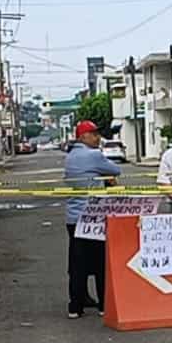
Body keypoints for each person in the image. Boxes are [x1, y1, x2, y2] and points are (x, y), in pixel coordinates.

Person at [63, 121, 121, 319]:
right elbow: (116, 170)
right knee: (99, 263)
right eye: (94, 134)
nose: (98, 138)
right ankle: (104, 305)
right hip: (93, 217)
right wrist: (105, 176)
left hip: (73, 217)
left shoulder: (70, 156)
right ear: (83, 137)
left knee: (77, 264)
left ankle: (75, 306)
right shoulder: (93, 155)